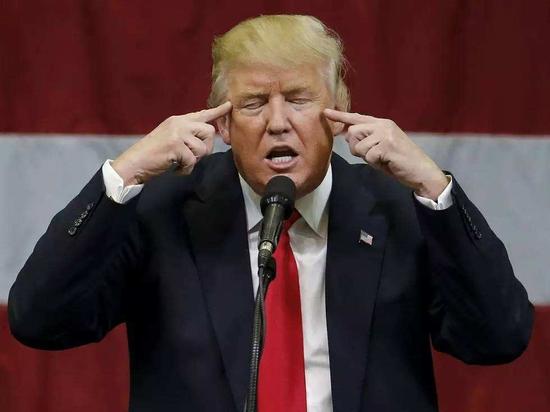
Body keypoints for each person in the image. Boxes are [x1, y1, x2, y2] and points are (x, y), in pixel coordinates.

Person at [8, 15, 533, 412]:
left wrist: (435, 188)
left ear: (339, 112)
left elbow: (498, 337)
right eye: (254, 103)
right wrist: (124, 174)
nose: (278, 123)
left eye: (299, 99)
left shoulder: (398, 210)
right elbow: (40, 320)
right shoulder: (162, 212)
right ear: (222, 123)